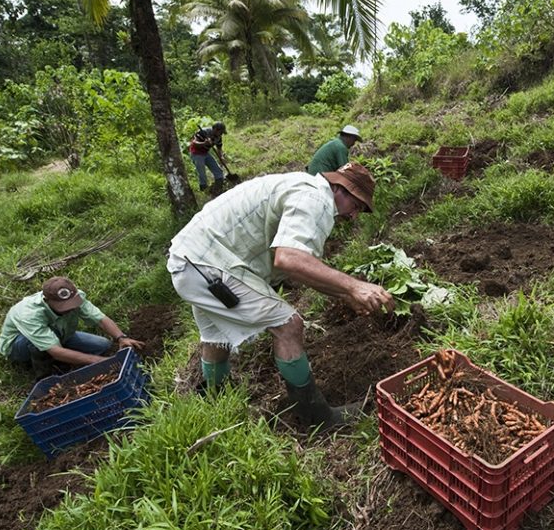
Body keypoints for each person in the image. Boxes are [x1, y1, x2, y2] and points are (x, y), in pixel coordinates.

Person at [167, 162, 394, 430]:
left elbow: (299, 268)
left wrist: (344, 293)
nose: (354, 216)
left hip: (191, 261)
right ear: (340, 190)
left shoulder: (300, 185)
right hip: (211, 267)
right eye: (357, 206)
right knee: (288, 326)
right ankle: (316, 417)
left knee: (216, 335)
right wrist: (354, 286)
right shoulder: (316, 199)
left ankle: (215, 399)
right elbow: (290, 259)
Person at [0, 276, 143, 377]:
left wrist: (121, 337)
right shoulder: (29, 314)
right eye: (64, 306)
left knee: (102, 345)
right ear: (47, 300)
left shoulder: (76, 296)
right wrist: (97, 361)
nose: (70, 308)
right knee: (42, 345)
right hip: (18, 347)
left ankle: (66, 355)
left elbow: (100, 319)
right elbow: (55, 351)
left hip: (60, 334)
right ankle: (46, 373)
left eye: (72, 303)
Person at [189, 121, 228, 193]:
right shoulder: (203, 132)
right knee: (202, 173)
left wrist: (221, 157)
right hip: (196, 153)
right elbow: (194, 143)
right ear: (215, 130)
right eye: (221, 132)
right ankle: (204, 189)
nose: (221, 134)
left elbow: (219, 148)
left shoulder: (219, 137)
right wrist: (204, 143)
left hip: (205, 153)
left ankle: (218, 186)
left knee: (218, 171)